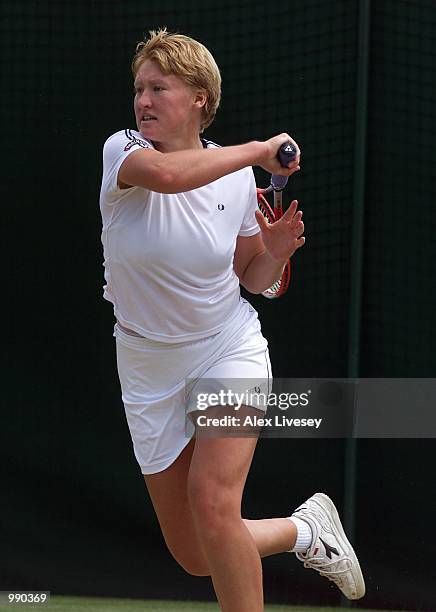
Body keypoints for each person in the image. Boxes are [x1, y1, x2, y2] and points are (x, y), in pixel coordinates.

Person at [99, 28, 365, 611]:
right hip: (146, 365)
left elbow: (254, 279)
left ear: (199, 97)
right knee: (197, 553)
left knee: (215, 506)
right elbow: (173, 177)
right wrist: (259, 149)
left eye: (159, 88)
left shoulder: (240, 179)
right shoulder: (123, 151)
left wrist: (274, 252)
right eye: (139, 89)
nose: (143, 101)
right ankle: (305, 531)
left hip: (227, 348)